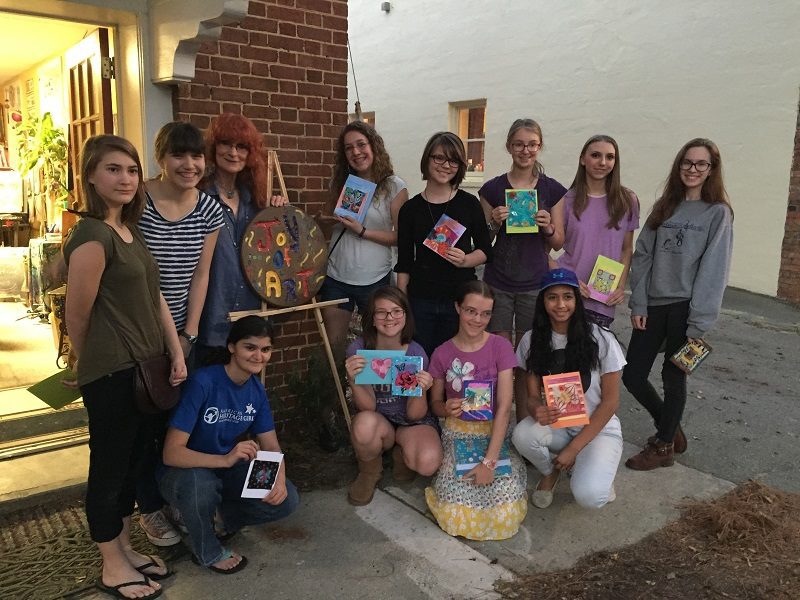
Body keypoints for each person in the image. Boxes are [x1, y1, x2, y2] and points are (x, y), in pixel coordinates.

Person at [64, 135, 187, 600]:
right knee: (110, 470)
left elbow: (155, 298)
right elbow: (78, 313)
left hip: (145, 369)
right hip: (113, 374)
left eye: (131, 170)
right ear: (92, 175)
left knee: (135, 463)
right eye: (113, 169)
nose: (125, 179)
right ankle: (111, 564)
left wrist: (174, 351)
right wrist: (89, 361)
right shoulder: (92, 234)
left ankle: (123, 547)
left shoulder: (129, 232)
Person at [136, 121, 225, 546]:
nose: (189, 165)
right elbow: (140, 276)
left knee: (173, 421)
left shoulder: (210, 210)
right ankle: (148, 508)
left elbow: (201, 275)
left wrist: (188, 335)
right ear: (161, 158)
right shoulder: (137, 199)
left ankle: (174, 499)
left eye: (196, 156)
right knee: (140, 423)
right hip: (135, 328)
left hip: (181, 335)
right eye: (179, 155)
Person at [622, 138, 733, 470]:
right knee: (633, 375)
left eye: (701, 164)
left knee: (674, 377)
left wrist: (699, 322)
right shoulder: (664, 206)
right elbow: (642, 256)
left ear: (712, 169)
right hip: (653, 304)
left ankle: (664, 445)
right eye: (687, 162)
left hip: (686, 308)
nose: (693, 169)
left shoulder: (718, 213)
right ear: (678, 165)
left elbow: (715, 270)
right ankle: (668, 426)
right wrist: (638, 303)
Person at [160, 316, 299, 573]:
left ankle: (216, 519)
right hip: (184, 474)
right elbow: (171, 453)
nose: (259, 356)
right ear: (231, 347)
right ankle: (207, 550)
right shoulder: (203, 382)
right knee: (200, 485)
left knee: (287, 498)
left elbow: (271, 446)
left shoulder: (256, 391)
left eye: (265, 349)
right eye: (250, 347)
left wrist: (279, 478)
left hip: (226, 469)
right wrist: (224, 459)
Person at [511, 268, 625, 509]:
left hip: (598, 428)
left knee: (591, 496)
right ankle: (551, 472)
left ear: (577, 300)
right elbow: (532, 397)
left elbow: (611, 402)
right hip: (559, 424)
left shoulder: (602, 339)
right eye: (552, 297)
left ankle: (594, 467)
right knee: (522, 435)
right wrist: (536, 409)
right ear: (542, 302)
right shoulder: (532, 339)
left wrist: (574, 448)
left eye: (567, 296)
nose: (560, 304)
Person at [425, 281, 527, 541]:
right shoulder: (441, 353)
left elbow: (505, 407)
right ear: (458, 307)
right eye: (471, 311)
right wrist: (446, 408)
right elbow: (435, 405)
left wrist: (489, 462)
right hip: (457, 433)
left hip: (494, 431)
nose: (478, 319)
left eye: (485, 313)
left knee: (505, 514)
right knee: (454, 511)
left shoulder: (500, 347)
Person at [198, 113, 286, 365]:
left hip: (251, 319)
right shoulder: (198, 198)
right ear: (213, 148)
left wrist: (278, 213)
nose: (233, 153)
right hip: (210, 319)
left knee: (243, 396)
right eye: (226, 144)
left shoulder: (257, 201)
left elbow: (277, 253)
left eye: (241, 146)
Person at [395, 132, 493, 358]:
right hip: (421, 299)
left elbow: (487, 251)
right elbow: (404, 262)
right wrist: (403, 304)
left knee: (458, 364)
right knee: (422, 361)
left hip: (461, 299)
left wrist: (466, 260)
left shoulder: (469, 203)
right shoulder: (410, 209)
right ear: (427, 160)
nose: (445, 165)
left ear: (460, 166)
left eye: (453, 160)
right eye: (438, 158)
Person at [343, 286, 442, 505]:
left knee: (428, 462)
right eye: (381, 312)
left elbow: (415, 414)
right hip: (380, 419)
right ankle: (369, 471)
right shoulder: (359, 351)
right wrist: (353, 379)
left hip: (411, 420)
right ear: (372, 318)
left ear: (406, 316)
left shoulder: (415, 353)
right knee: (363, 425)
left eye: (396, 311)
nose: (389, 318)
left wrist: (421, 390)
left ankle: (402, 453)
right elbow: (367, 407)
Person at [319, 121, 409, 355]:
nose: (356, 152)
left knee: (378, 346)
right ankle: (337, 392)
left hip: (374, 279)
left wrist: (363, 231)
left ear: (374, 146)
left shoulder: (393, 186)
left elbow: (403, 237)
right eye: (349, 148)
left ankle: (375, 392)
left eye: (361, 144)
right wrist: (328, 219)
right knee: (334, 349)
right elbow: (327, 223)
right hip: (337, 276)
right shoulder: (341, 184)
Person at [480, 118, 567, 343]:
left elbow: (558, 242)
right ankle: (504, 381)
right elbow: (482, 241)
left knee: (527, 345)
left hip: (535, 280)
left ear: (539, 147)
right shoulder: (492, 189)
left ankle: (523, 380)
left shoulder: (552, 189)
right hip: (498, 279)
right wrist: (495, 223)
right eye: (519, 144)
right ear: (509, 147)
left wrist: (548, 227)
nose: (525, 150)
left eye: (532, 144)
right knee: (499, 343)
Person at [548, 135, 639, 328]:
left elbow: (626, 250)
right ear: (583, 159)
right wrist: (568, 278)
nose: (603, 162)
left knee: (593, 356)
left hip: (602, 297)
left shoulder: (627, 200)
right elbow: (542, 251)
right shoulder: (565, 200)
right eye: (596, 155)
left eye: (610, 157)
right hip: (567, 294)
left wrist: (621, 286)